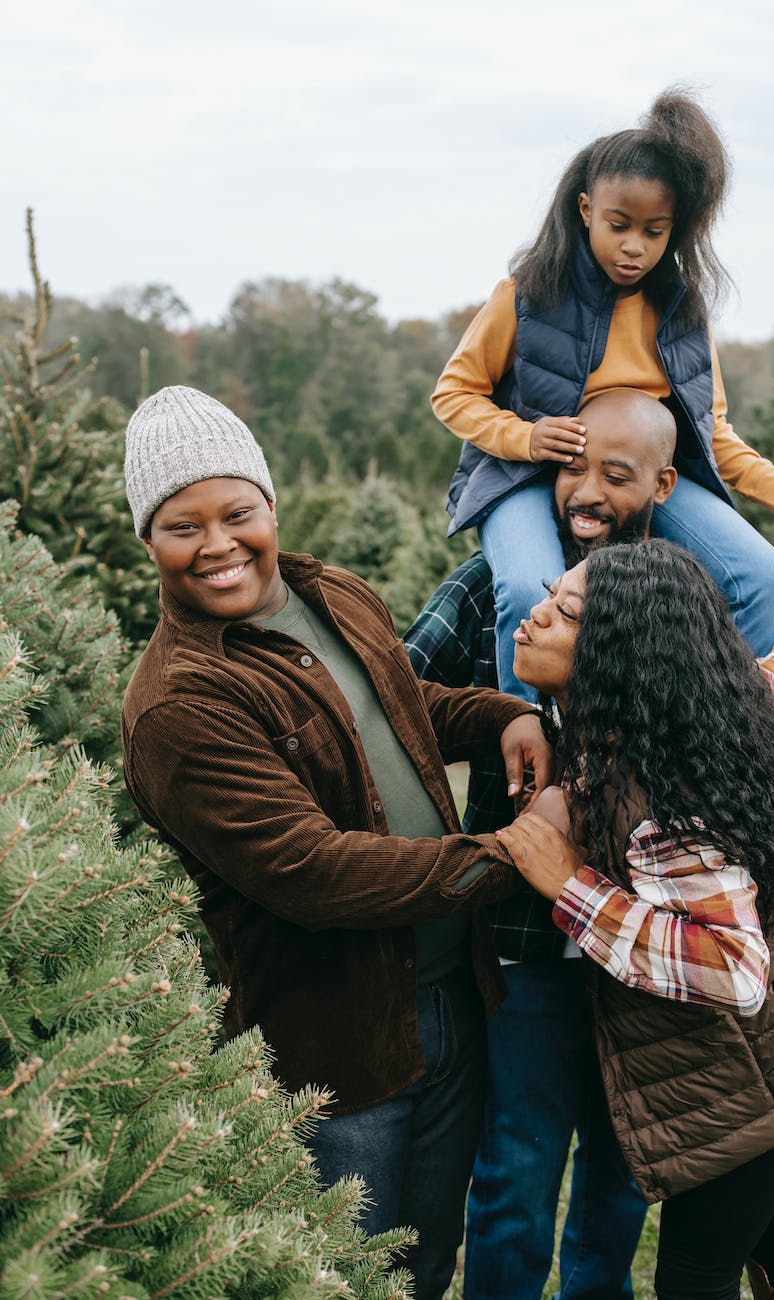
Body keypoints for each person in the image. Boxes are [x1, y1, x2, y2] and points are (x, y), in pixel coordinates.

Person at [120, 385, 555, 1300]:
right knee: (341, 1281)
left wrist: (504, 715)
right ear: (146, 539)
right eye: (181, 526)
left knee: (425, 1264)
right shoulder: (178, 703)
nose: (218, 545)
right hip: (337, 1050)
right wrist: (514, 856)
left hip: (450, 999)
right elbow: (309, 872)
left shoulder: (333, 593)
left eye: (236, 513)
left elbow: (400, 707)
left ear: (270, 507)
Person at [405, 387, 774, 1300]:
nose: (586, 492)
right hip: (524, 946)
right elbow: (399, 700)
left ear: (662, 486)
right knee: (514, 1170)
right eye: (571, 465)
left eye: (616, 475)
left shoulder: (670, 596)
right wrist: (504, 716)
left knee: (623, 1171)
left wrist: (708, 785)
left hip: (646, 960)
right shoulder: (496, 587)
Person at [498, 520, 774, 1300]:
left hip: (761, 1055)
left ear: (615, 661)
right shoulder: (709, 709)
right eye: (548, 599)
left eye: (565, 615)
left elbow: (734, 971)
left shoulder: (662, 806)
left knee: (694, 1273)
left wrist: (570, 884)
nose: (533, 618)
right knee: (771, 1220)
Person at [432, 88, 774, 702]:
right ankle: (527, 745)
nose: (634, 246)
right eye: (619, 226)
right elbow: (454, 394)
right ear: (585, 209)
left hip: (640, 475)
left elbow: (710, 431)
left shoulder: (683, 313)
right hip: (523, 475)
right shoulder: (526, 294)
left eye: (653, 232)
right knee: (530, 588)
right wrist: (525, 438)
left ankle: (706, 739)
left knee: (763, 578)